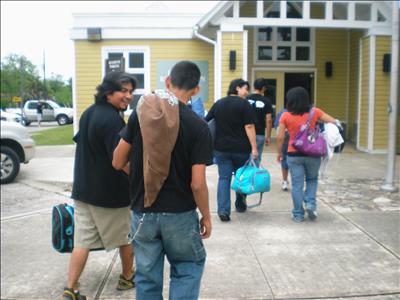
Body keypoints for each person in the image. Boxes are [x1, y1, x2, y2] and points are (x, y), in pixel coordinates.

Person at [112, 61, 213, 300]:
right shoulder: (199, 127)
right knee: (187, 268)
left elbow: (117, 161)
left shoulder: (141, 115)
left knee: (147, 277)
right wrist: (206, 215)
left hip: (142, 211)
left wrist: (143, 175)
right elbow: (197, 184)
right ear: (196, 90)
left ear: (168, 82)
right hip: (180, 213)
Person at [62, 72, 137, 300]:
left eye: (131, 91)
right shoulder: (112, 119)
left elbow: (83, 142)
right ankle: (127, 277)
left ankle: (71, 289)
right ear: (108, 92)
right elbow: (121, 160)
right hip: (110, 195)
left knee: (82, 241)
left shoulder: (89, 113)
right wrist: (141, 180)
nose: (128, 96)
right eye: (123, 91)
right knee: (126, 237)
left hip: (84, 192)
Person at [277, 87, 337, 222]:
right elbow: (332, 121)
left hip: (293, 154)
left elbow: (280, 137)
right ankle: (310, 204)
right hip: (313, 153)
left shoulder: (285, 115)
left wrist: (279, 153)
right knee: (312, 179)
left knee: (297, 184)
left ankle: (298, 214)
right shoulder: (315, 112)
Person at [205, 78, 258, 221]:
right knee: (241, 177)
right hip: (241, 149)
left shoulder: (219, 103)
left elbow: (206, 121)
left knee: (224, 178)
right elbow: (249, 126)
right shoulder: (244, 104)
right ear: (237, 88)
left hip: (221, 149)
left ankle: (223, 210)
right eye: (245, 88)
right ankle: (240, 204)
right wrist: (254, 148)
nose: (247, 92)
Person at [246, 78, 273, 164]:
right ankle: (253, 176)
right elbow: (268, 119)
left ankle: (243, 176)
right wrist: (268, 136)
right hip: (259, 133)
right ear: (263, 88)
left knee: (245, 157)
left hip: (245, 132)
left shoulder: (246, 99)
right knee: (255, 158)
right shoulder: (266, 101)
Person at [274, 107, 290, 191]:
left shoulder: (282, 112)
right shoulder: (305, 111)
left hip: (285, 137)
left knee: (284, 158)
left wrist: (278, 152)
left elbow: (277, 128)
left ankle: (284, 180)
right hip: (300, 141)